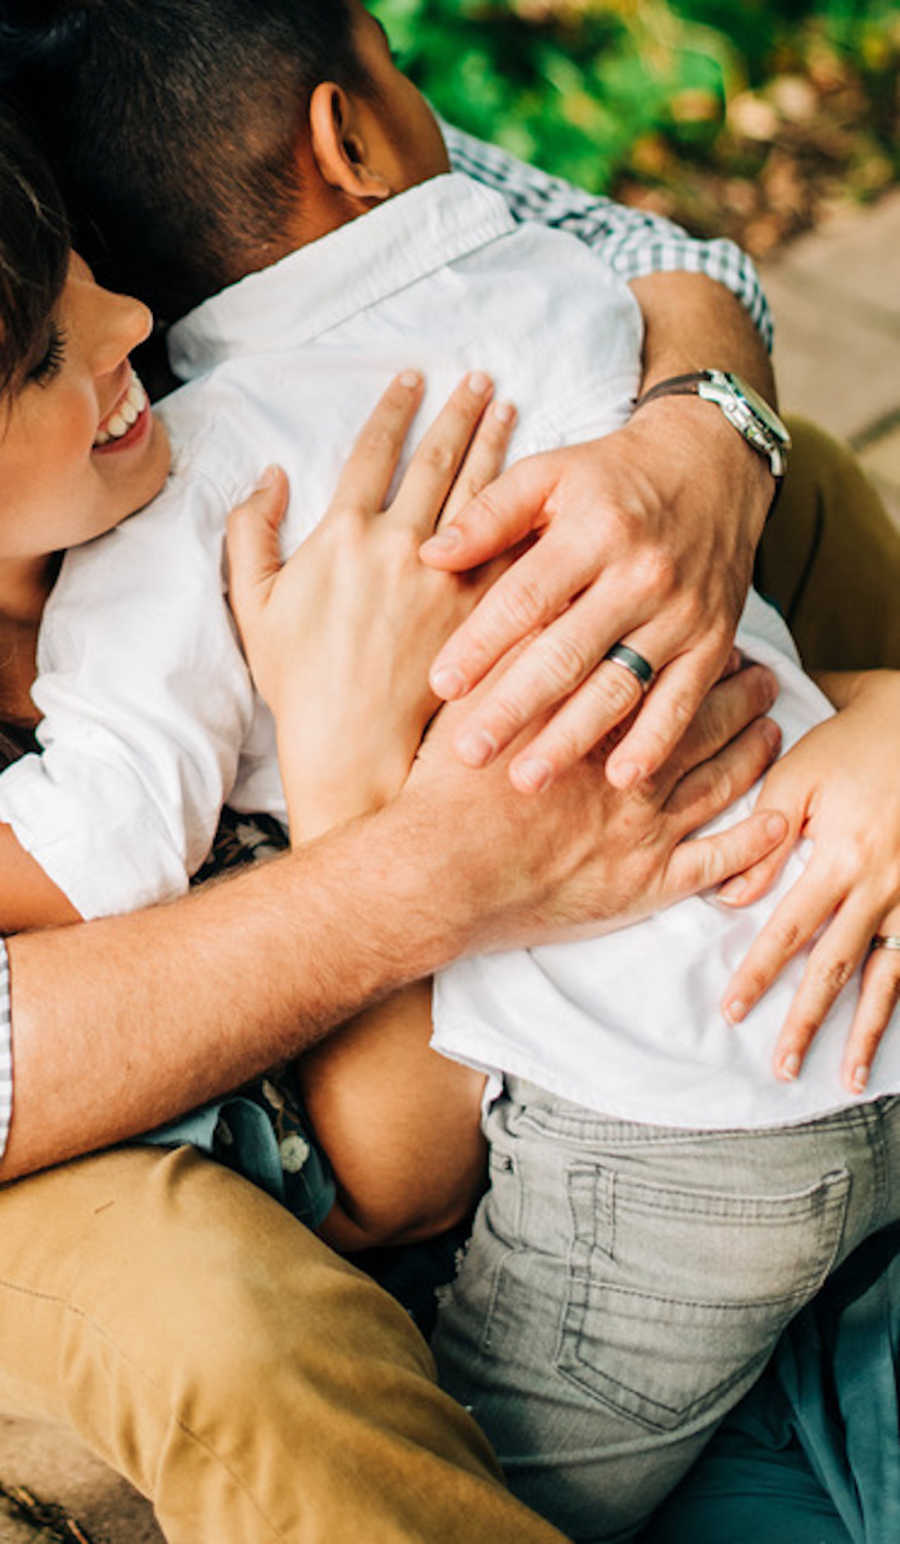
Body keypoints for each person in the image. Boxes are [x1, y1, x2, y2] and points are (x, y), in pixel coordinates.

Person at [0, 7, 899, 1537]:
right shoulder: (479, 279)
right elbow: (394, 1172)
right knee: (234, 1327)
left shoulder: (163, 480)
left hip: (667, 1129)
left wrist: (696, 440)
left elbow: (666, 261)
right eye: (37, 350)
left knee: (782, 464)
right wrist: (400, 836)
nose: (135, 314)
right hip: (796, 1022)